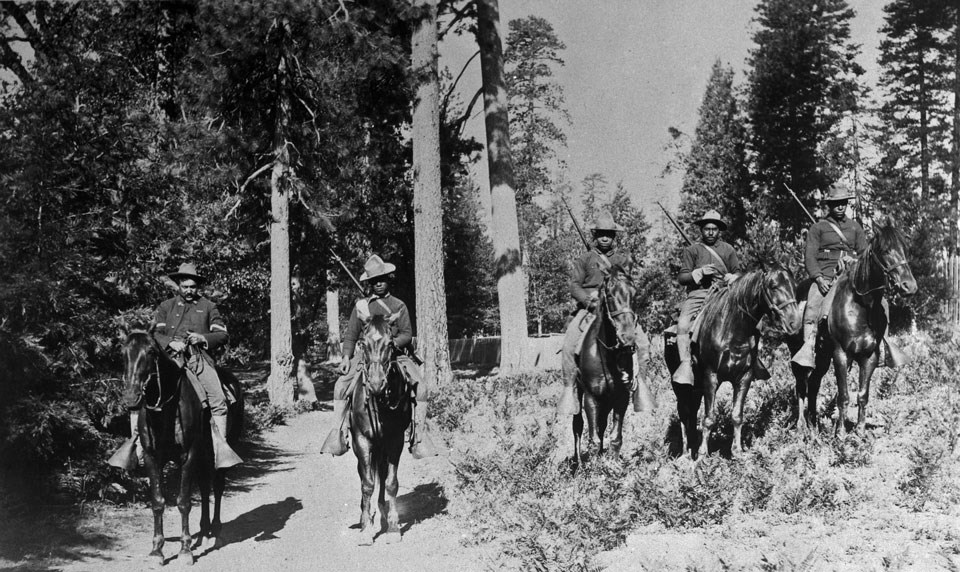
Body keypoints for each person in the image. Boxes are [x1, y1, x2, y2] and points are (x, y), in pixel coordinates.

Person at [120, 263, 242, 470]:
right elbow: (154, 333)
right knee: (140, 392)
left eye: (193, 287)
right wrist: (169, 342)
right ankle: (137, 449)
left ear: (198, 287)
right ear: (178, 285)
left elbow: (222, 334)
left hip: (197, 359)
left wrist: (202, 338)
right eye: (185, 286)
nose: (189, 290)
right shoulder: (166, 306)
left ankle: (220, 450)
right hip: (168, 358)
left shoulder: (209, 307)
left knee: (218, 399)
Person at [320, 254, 438, 459]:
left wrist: (390, 344)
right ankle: (338, 434)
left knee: (421, 388)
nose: (378, 284)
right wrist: (346, 357)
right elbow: (351, 336)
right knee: (340, 386)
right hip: (366, 355)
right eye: (374, 281)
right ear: (370, 283)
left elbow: (407, 334)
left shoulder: (399, 305)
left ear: (388, 279)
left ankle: (419, 437)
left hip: (395, 355)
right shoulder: (362, 307)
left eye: (381, 279)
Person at [557, 210, 653, 416]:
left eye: (609, 234)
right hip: (590, 309)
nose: (605, 238)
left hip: (616, 308)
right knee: (569, 343)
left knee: (643, 343)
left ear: (614, 236)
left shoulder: (622, 260)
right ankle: (569, 388)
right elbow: (574, 286)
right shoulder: (585, 258)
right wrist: (587, 299)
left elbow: (628, 284)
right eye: (601, 234)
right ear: (595, 235)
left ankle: (641, 385)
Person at [792, 183, 892, 368]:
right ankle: (808, 347)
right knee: (813, 305)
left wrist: (853, 260)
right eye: (836, 203)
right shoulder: (818, 228)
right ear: (829, 205)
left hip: (852, 277)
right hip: (826, 276)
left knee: (883, 304)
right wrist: (818, 278)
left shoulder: (855, 228)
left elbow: (865, 255)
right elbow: (810, 257)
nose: (840, 206)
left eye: (843, 202)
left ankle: (884, 347)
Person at [673, 210, 741, 386]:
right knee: (683, 324)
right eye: (707, 229)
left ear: (719, 231)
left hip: (724, 293)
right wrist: (699, 272)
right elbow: (682, 278)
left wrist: (733, 277)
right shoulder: (692, 250)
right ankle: (685, 364)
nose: (710, 232)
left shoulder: (728, 249)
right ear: (701, 230)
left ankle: (751, 361)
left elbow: (738, 273)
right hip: (699, 294)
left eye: (714, 229)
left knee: (747, 319)